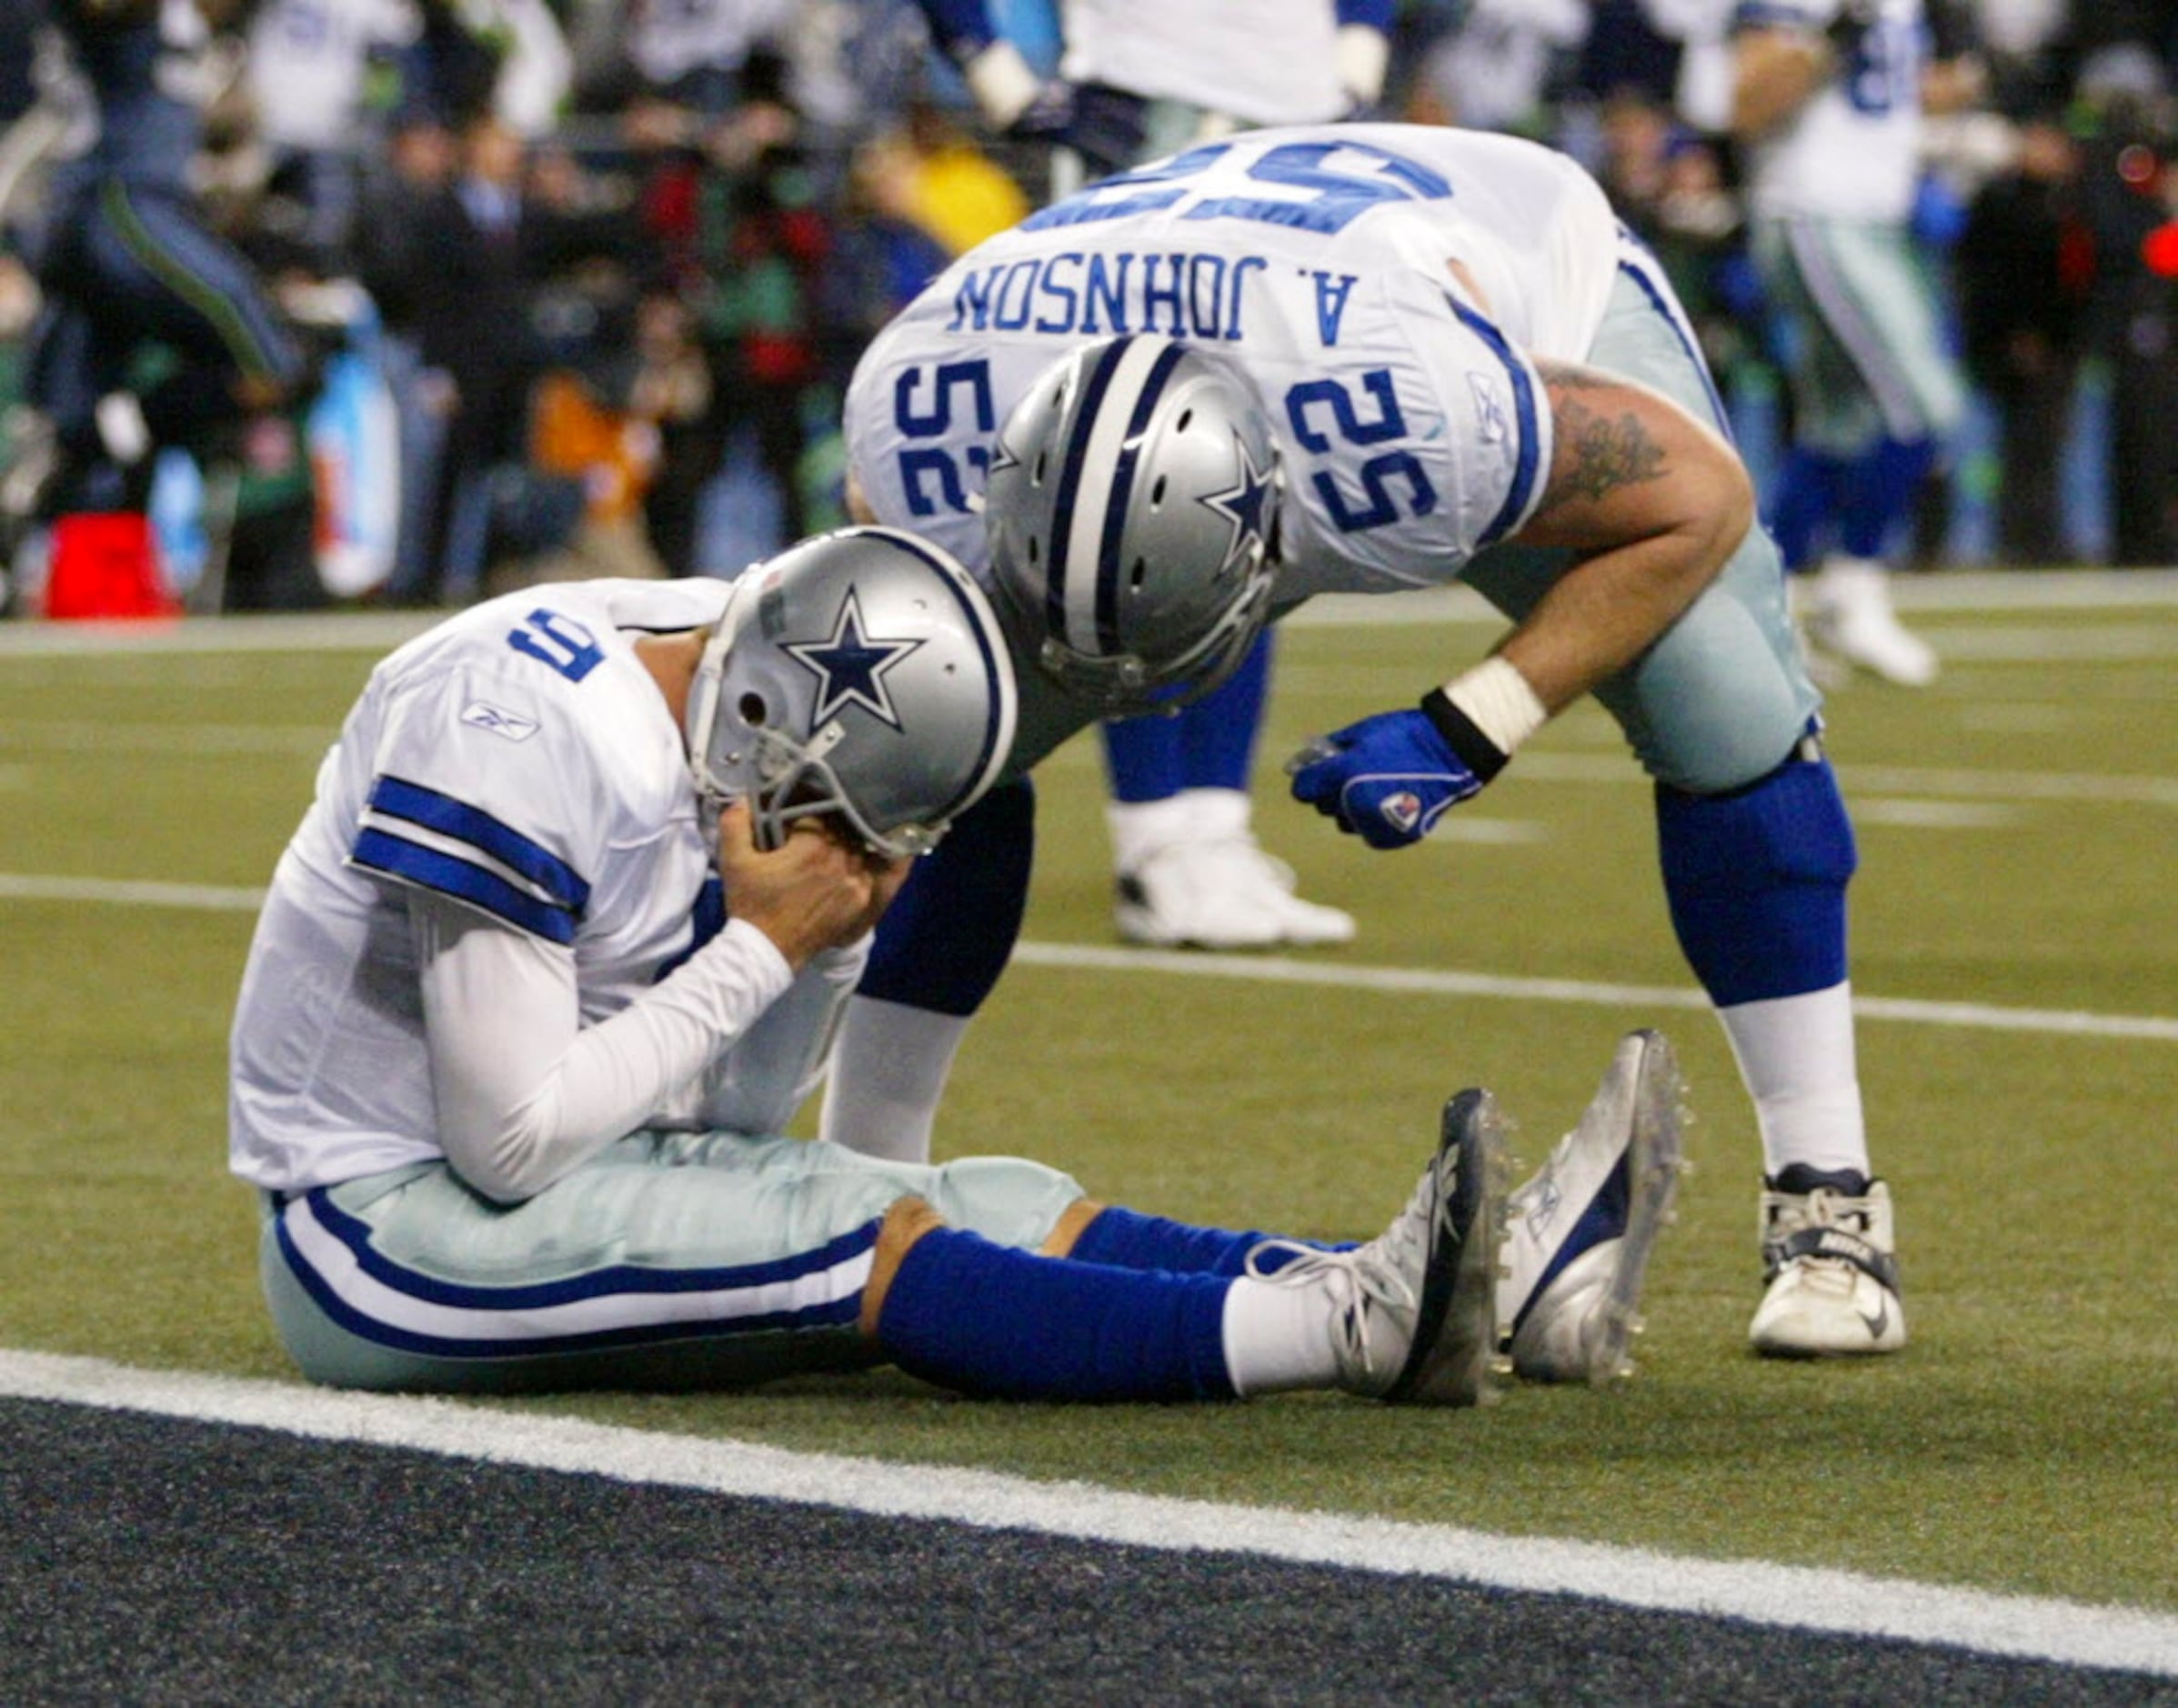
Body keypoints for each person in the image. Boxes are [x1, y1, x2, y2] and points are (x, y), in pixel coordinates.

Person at [838, 122, 1903, 1359]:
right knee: (919, 737)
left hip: (1481, 273)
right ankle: (859, 1180)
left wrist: (1472, 723)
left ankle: (1827, 1206)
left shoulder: (1413, 420)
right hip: (1182, 297)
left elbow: (1697, 495)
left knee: (1722, 703)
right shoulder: (923, 412)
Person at [227, 523, 1684, 1402]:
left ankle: (1456, 1288)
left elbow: (724, 1129)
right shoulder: (513, 718)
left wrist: (803, 958)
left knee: (981, 1196)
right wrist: (761, 946)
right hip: (377, 1230)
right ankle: (1347, 1324)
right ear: (756, 719)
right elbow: (505, 1140)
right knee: (871, 1239)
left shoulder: (751, 666)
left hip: (535, 1172)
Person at [913, 0, 1391, 951]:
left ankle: (1213, 829)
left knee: (1260, 482)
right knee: (1136, 482)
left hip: (1296, 124)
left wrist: (1357, 55)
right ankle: (1152, 837)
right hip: (1146, 113)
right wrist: (994, 73)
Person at [1727, 0, 1973, 686]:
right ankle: (1850, 583)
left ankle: (1758, 610)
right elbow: (1745, 105)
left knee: (1838, 427)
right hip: (1817, 213)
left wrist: (1969, 88)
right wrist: (1828, 38)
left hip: (1874, 220)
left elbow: (1889, 94)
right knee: (1921, 407)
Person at [4, 0, 308, 536]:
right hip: (119, 207)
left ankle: (70, 455)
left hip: (106, 219)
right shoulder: (139, 18)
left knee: (82, 411)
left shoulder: (207, 34)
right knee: (268, 356)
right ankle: (77, 446)